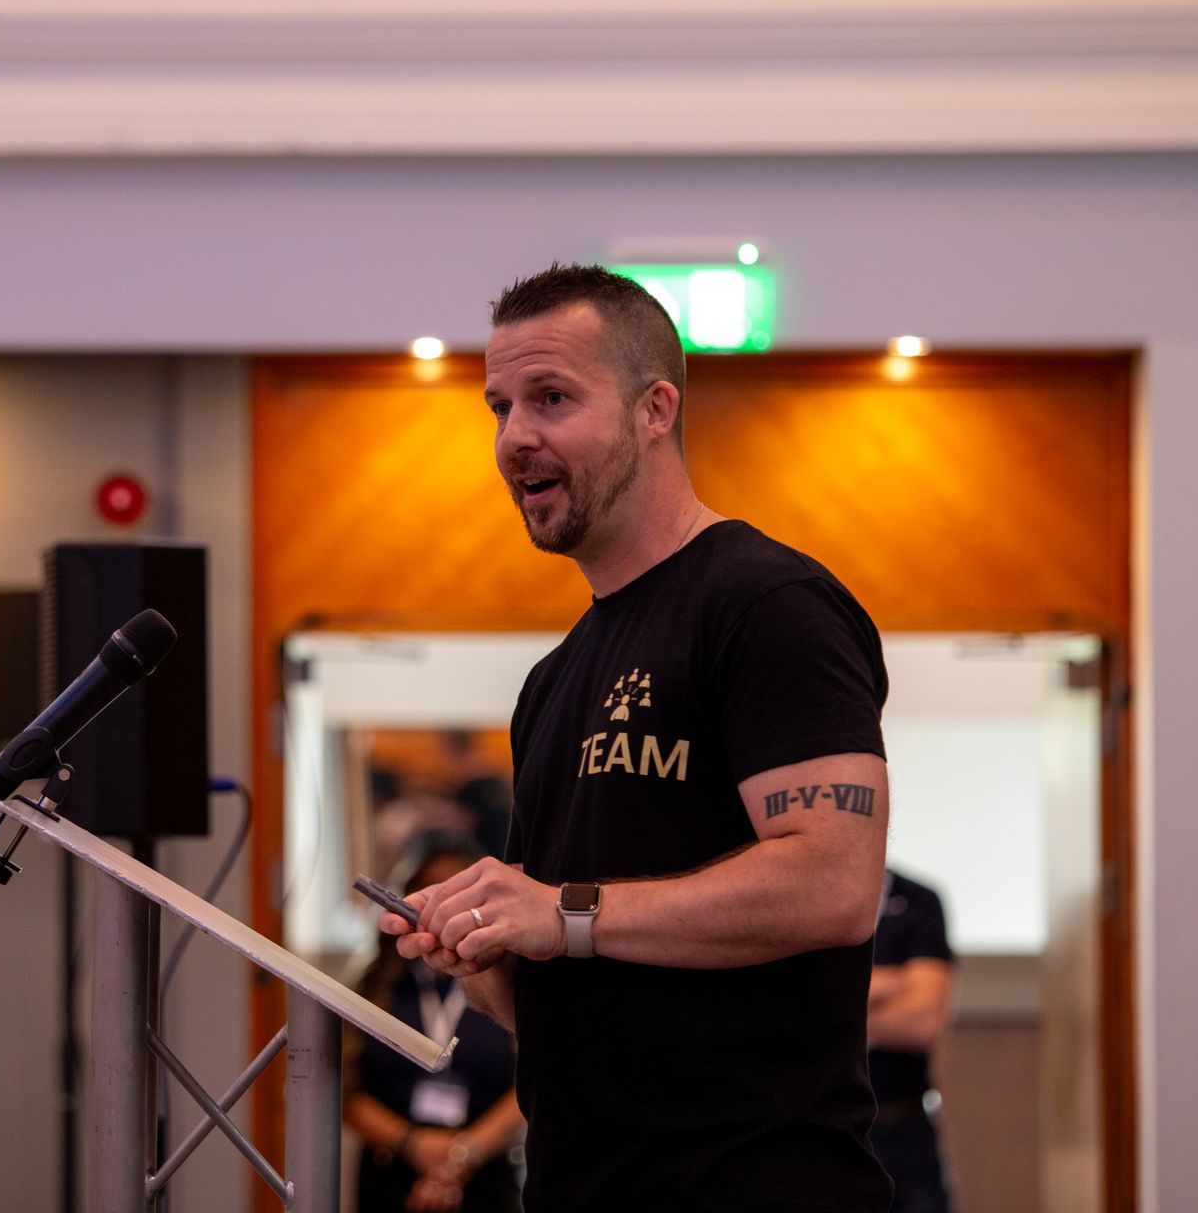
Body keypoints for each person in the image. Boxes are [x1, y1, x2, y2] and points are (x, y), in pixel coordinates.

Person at [381, 263, 894, 1211]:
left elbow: (836, 884)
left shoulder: (766, 604)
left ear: (655, 410)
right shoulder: (552, 681)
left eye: (551, 399)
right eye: (498, 408)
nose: (513, 438)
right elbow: (569, 988)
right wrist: (485, 951)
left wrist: (564, 912)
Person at [345, 832, 525, 1213]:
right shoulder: (376, 986)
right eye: (431, 895)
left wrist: (464, 1153)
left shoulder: (507, 981)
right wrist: (414, 1145)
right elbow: (345, 1085)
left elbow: (536, 1076)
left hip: (485, 1171)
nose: (443, 913)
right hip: (389, 1168)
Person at [868, 868, 958, 1213]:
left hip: (900, 1123)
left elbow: (921, 1023)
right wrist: (894, 981)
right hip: (811, 1125)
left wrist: (829, 1009)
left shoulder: (917, 899)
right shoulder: (798, 892)